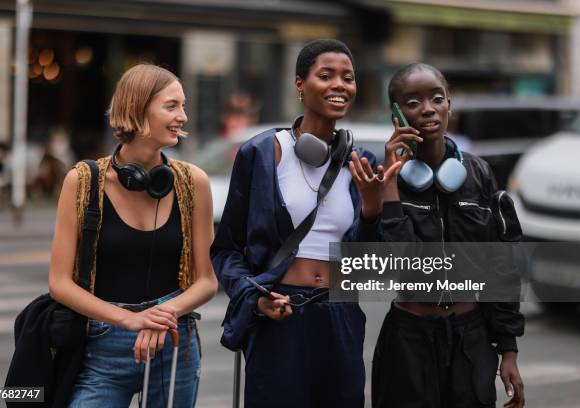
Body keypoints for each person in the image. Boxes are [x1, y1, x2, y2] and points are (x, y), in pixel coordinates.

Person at [211, 39, 400, 407]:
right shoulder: (262, 153)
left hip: (340, 314)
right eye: (325, 75)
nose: (339, 85)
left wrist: (373, 210)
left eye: (348, 77)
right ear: (300, 84)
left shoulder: (358, 161)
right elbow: (226, 249)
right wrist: (254, 298)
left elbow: (369, 266)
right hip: (280, 315)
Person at [48, 63, 218, 407]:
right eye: (171, 106)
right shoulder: (83, 182)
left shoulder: (192, 182)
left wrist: (161, 316)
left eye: (183, 106)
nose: (183, 116)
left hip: (174, 345)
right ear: (134, 110)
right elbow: (60, 283)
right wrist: (131, 319)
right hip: (103, 348)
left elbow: (207, 281)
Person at [372, 63, 525, 408]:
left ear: (449, 105)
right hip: (408, 340)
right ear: (396, 115)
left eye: (436, 98)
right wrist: (391, 184)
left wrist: (508, 350)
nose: (427, 108)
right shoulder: (385, 182)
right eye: (412, 102)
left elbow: (500, 264)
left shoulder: (479, 173)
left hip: (471, 338)